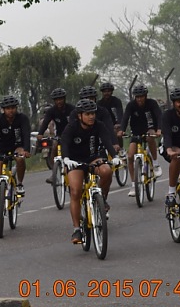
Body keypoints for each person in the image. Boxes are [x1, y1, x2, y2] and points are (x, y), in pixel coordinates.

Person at [60, 99, 113, 244]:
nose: (91, 117)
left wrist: (114, 157)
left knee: (107, 170)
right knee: (76, 191)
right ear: (79, 115)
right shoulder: (72, 127)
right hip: (75, 161)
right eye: (88, 114)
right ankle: (77, 229)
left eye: (93, 113)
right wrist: (66, 159)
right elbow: (64, 142)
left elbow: (107, 141)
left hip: (92, 159)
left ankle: (102, 199)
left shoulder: (99, 126)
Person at [118, 84, 163, 197]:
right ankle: (134, 184)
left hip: (150, 128)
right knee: (130, 156)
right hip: (136, 132)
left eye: (141, 96)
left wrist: (159, 129)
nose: (139, 99)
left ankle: (156, 164)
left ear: (145, 96)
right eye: (137, 97)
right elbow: (125, 118)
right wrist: (122, 130)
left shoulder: (152, 103)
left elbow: (159, 116)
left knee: (149, 137)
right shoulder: (131, 105)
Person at [68, 86, 121, 158]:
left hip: (98, 139)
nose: (89, 101)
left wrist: (114, 143)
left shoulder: (103, 111)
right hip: (81, 140)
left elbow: (109, 128)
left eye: (91, 98)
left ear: (95, 99)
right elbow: (70, 130)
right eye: (86, 99)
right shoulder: (75, 113)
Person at [37, 88, 75, 183]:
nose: (59, 101)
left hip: (72, 134)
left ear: (64, 99)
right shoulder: (51, 111)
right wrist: (40, 134)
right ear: (54, 101)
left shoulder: (72, 109)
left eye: (61, 99)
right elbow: (45, 122)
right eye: (57, 99)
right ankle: (54, 173)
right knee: (54, 146)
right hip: (60, 135)